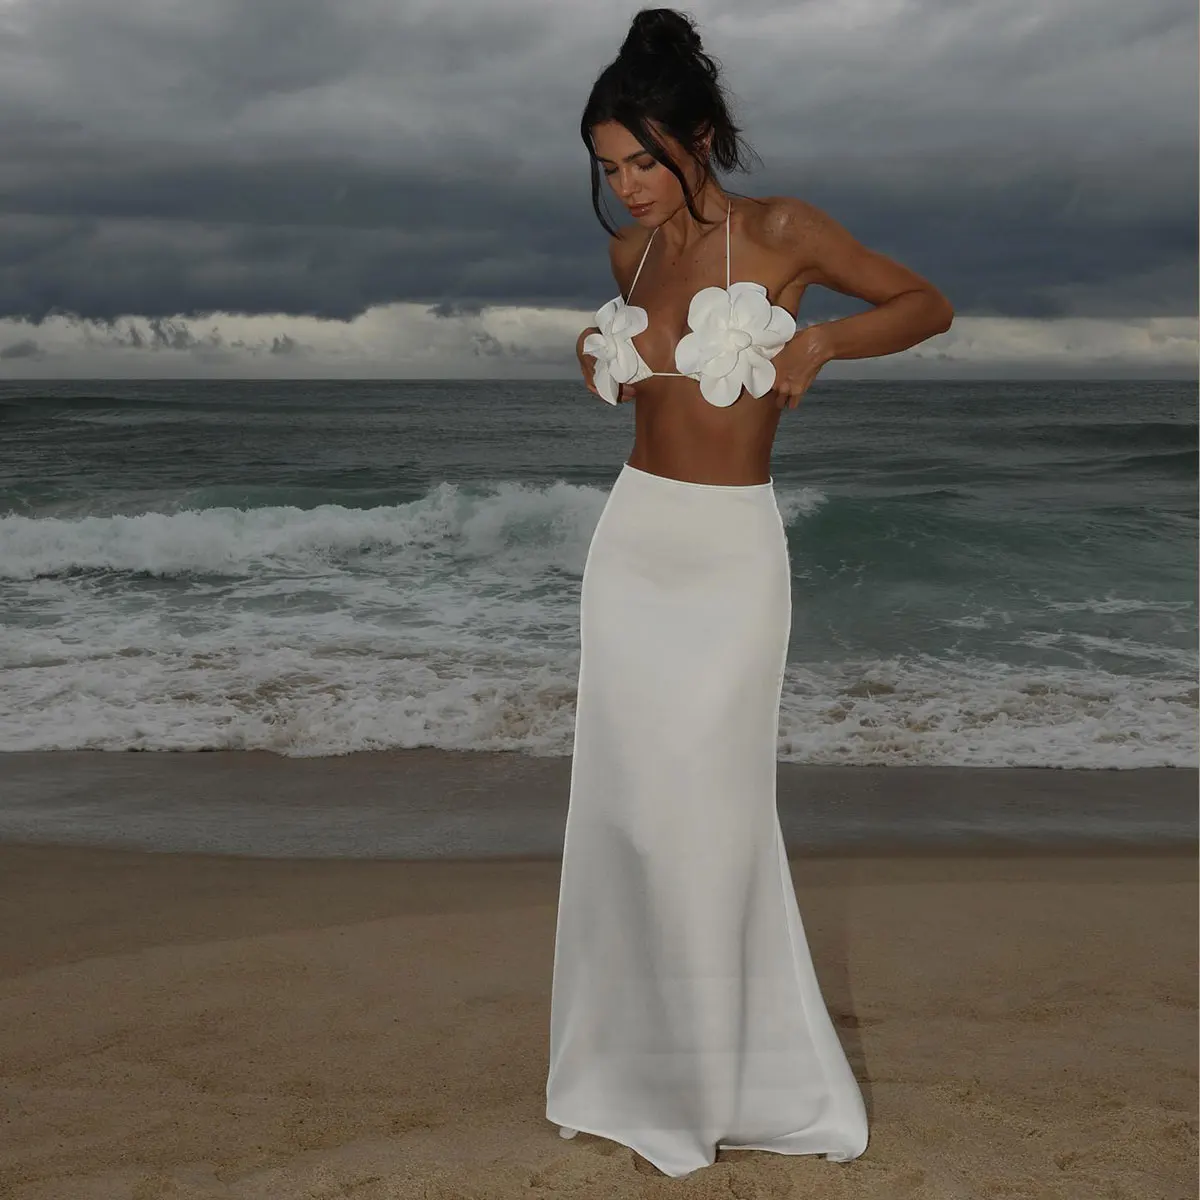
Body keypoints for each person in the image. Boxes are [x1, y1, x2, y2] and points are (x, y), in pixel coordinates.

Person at [544, 6, 953, 1180]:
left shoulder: (783, 231)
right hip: (632, 547)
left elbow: (924, 303)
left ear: (699, 140)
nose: (627, 188)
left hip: (729, 559)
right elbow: (644, 383)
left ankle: (730, 1084)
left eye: (643, 161)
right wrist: (599, 355)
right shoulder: (629, 259)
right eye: (609, 169)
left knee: (710, 822)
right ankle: (637, 1079)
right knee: (628, 817)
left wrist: (822, 345)